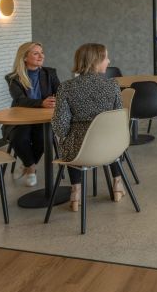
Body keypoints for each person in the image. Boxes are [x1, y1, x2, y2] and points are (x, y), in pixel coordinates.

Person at [52, 43, 127, 212]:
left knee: (69, 141)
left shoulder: (65, 87)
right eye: (106, 57)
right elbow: (118, 118)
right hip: (110, 148)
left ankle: (76, 193)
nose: (109, 61)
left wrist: (64, 137)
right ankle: (117, 185)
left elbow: (60, 124)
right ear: (96, 61)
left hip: (79, 151)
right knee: (112, 135)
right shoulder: (112, 85)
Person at [5, 42, 60, 187]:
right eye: (36, 53)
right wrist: (41, 103)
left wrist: (56, 100)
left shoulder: (50, 73)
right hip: (21, 119)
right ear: (24, 57)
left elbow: (59, 92)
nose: (41, 56)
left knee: (43, 137)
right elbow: (19, 100)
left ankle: (27, 165)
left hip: (43, 119)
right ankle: (31, 167)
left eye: (42, 52)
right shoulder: (13, 78)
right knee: (19, 137)